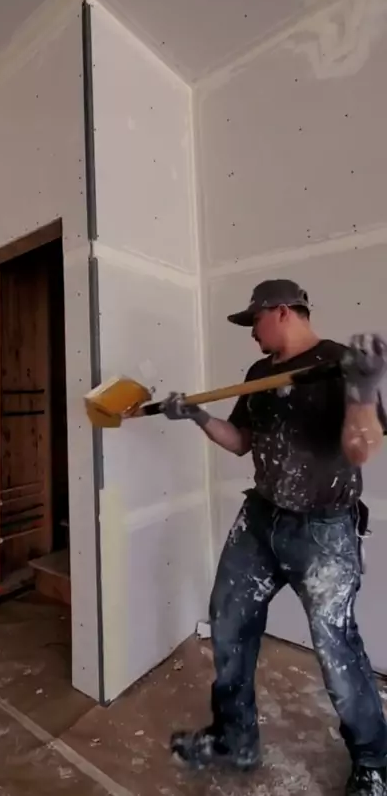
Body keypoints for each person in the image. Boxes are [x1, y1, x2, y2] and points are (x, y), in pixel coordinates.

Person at [162, 279, 387, 796]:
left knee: (336, 648)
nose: (251, 333)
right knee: (228, 622)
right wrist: (197, 415)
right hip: (261, 519)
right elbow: (241, 442)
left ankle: (373, 762)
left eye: (254, 321)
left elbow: (360, 449)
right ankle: (235, 739)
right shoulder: (259, 374)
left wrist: (364, 391)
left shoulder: (342, 364)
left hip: (324, 530)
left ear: (282, 311)